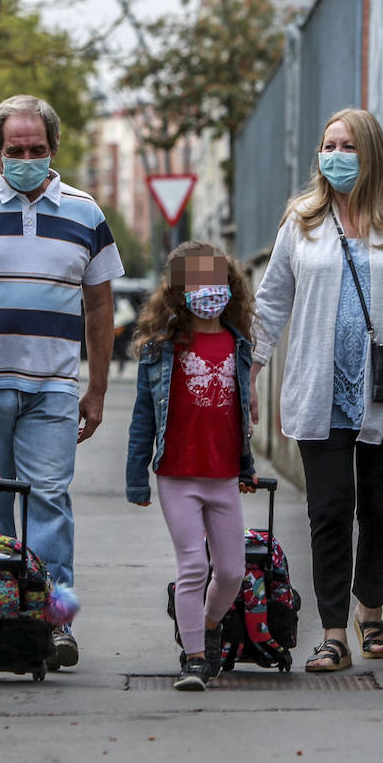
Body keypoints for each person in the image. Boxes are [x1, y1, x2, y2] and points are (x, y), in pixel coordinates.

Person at [250, 108, 383, 673]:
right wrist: (248, 369)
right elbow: (271, 303)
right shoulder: (302, 220)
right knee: (329, 510)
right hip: (321, 390)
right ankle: (333, 632)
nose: (335, 155)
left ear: (369, 154)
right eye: (328, 145)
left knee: (381, 509)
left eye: (346, 145)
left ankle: (372, 614)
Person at [0, 94, 124, 669]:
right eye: (16, 149)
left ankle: (55, 623)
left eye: (37, 148)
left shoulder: (84, 212)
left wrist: (95, 388)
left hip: (54, 386)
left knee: (50, 502)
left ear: (53, 148)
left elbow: (100, 307)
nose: (27, 157)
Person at [125, 241, 258, 691]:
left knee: (232, 572)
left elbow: (241, 414)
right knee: (192, 568)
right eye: (196, 281)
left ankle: (207, 624)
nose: (207, 290)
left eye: (214, 279)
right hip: (177, 477)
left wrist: (248, 467)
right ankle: (195, 657)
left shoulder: (238, 345)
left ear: (229, 286)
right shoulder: (161, 349)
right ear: (178, 291)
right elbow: (143, 418)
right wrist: (135, 480)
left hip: (223, 478)